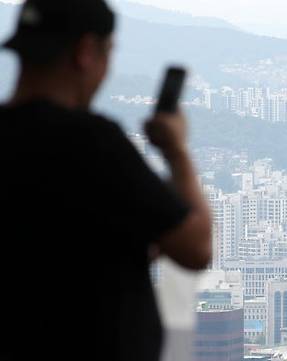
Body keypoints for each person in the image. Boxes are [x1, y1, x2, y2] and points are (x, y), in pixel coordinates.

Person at [0, 0, 212, 360]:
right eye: (109, 54)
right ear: (86, 52)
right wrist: (175, 150)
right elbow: (196, 247)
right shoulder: (90, 143)